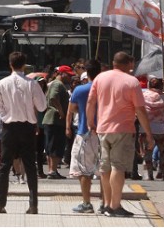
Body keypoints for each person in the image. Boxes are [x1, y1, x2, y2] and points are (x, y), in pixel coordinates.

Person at [88, 51, 153, 218]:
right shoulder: (132, 82)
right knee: (118, 166)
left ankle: (106, 203)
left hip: (103, 128)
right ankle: (115, 206)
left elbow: (91, 101)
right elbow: (140, 109)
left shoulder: (100, 78)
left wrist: (91, 122)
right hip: (123, 128)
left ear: (113, 62)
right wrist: (148, 133)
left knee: (105, 168)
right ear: (128, 64)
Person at [0, 51, 45, 215]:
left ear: (10, 64)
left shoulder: (2, 83)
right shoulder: (32, 83)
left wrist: (8, 115)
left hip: (9, 128)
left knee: (5, 165)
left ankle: (0, 204)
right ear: (24, 65)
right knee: (30, 166)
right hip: (28, 128)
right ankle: (33, 204)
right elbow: (42, 106)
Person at [66, 59, 102, 213]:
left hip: (85, 133)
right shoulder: (106, 90)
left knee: (83, 171)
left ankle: (87, 203)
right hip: (104, 133)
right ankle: (106, 202)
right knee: (105, 171)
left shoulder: (79, 90)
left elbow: (72, 109)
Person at [42, 65, 73, 179]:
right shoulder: (57, 84)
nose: (70, 77)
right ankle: (52, 170)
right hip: (55, 120)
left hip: (51, 120)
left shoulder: (56, 84)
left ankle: (52, 170)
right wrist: (61, 112)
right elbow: (53, 97)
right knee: (55, 145)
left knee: (51, 145)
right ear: (62, 74)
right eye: (68, 75)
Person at [142, 76, 164, 180]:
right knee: (163, 151)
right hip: (160, 127)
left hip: (147, 128)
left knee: (148, 152)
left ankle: (149, 174)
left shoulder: (143, 95)